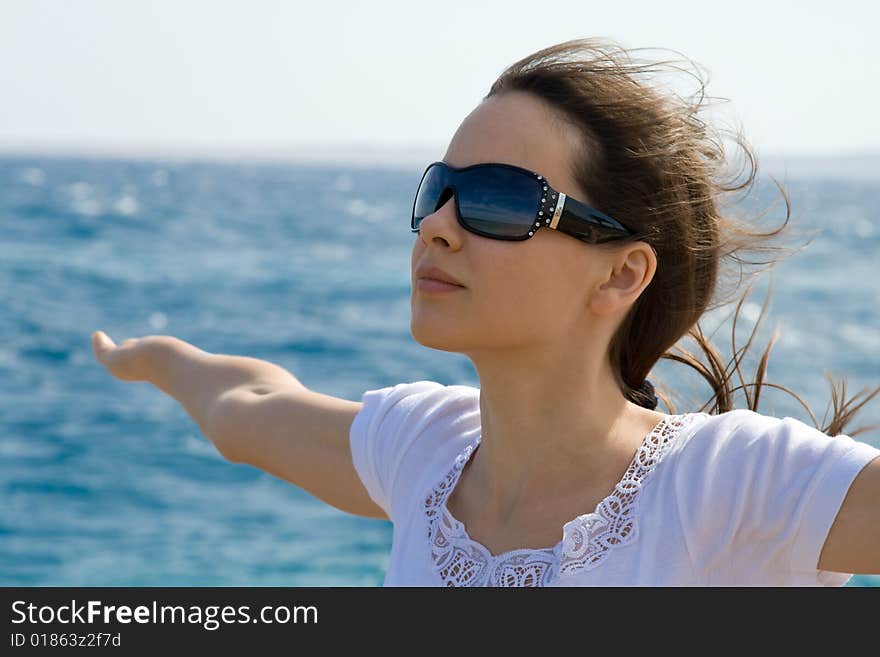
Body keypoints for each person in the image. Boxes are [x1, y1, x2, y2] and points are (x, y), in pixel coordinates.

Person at [91, 37, 880, 587]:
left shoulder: (728, 481)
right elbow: (248, 409)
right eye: (441, 189)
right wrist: (153, 358)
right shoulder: (422, 451)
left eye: (501, 201)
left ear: (621, 273)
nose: (438, 225)